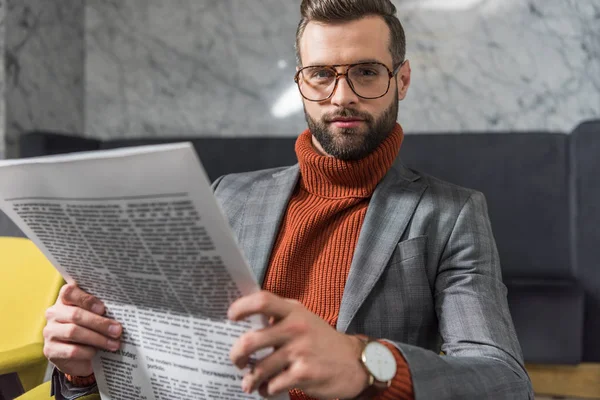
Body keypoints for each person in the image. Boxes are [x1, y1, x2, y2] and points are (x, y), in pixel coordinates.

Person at [42, 0, 533, 398]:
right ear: (300, 82)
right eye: (321, 74)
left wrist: (365, 364)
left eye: (365, 72)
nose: (341, 96)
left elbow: (504, 380)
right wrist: (84, 372)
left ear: (400, 79)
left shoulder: (453, 214)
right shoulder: (228, 195)